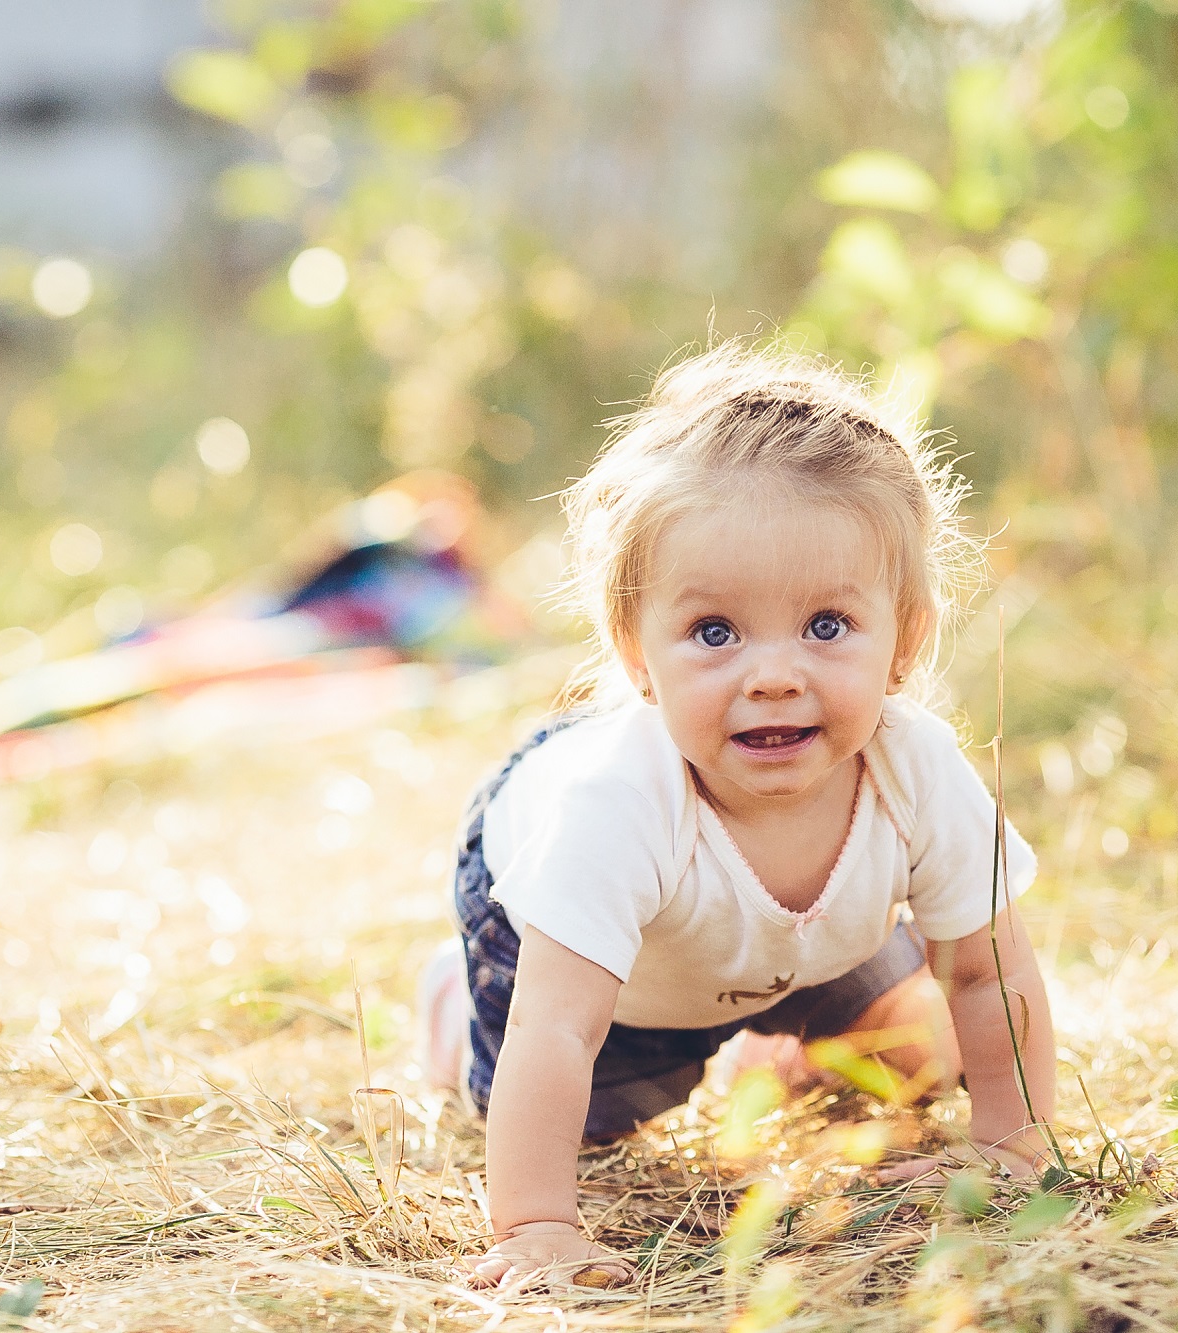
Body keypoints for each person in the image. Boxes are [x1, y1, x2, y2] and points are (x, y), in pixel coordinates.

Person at [415, 343, 1056, 1291]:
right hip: (600, 962)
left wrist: (1015, 1145)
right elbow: (553, 1030)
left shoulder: (916, 769)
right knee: (579, 1114)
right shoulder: (612, 807)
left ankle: (770, 1037)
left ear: (904, 641)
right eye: (714, 633)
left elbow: (989, 966)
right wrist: (537, 1224)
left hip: (798, 943)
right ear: (638, 653)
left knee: (922, 1058)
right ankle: (442, 1000)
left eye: (826, 626)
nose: (772, 674)